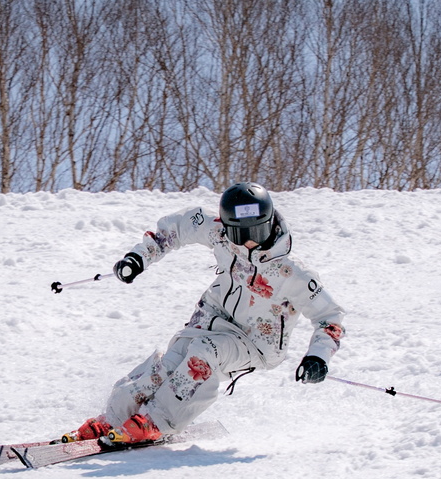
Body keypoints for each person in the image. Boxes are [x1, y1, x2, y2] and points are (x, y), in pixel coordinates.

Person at [69, 182, 345, 446]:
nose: (249, 242)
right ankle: (114, 418)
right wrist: (139, 257)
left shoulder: (292, 273)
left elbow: (329, 317)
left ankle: (158, 421)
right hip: (213, 316)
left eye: (257, 231)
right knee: (170, 362)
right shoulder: (219, 233)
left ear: (270, 223)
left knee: (203, 353)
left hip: (256, 343)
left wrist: (318, 356)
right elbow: (177, 227)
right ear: (227, 227)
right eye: (240, 235)